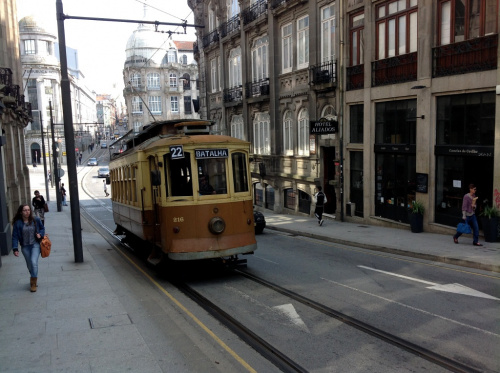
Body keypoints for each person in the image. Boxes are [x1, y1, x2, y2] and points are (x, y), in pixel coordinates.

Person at [11, 204, 45, 292]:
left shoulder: (35, 219)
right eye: (25, 210)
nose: (27, 212)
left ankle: (33, 283)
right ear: (21, 212)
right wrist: (15, 248)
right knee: (30, 265)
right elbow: (14, 236)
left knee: (34, 262)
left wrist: (40, 234)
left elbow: (42, 228)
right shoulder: (18, 223)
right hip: (25, 246)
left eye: (28, 210)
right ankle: (33, 275)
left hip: (35, 245)